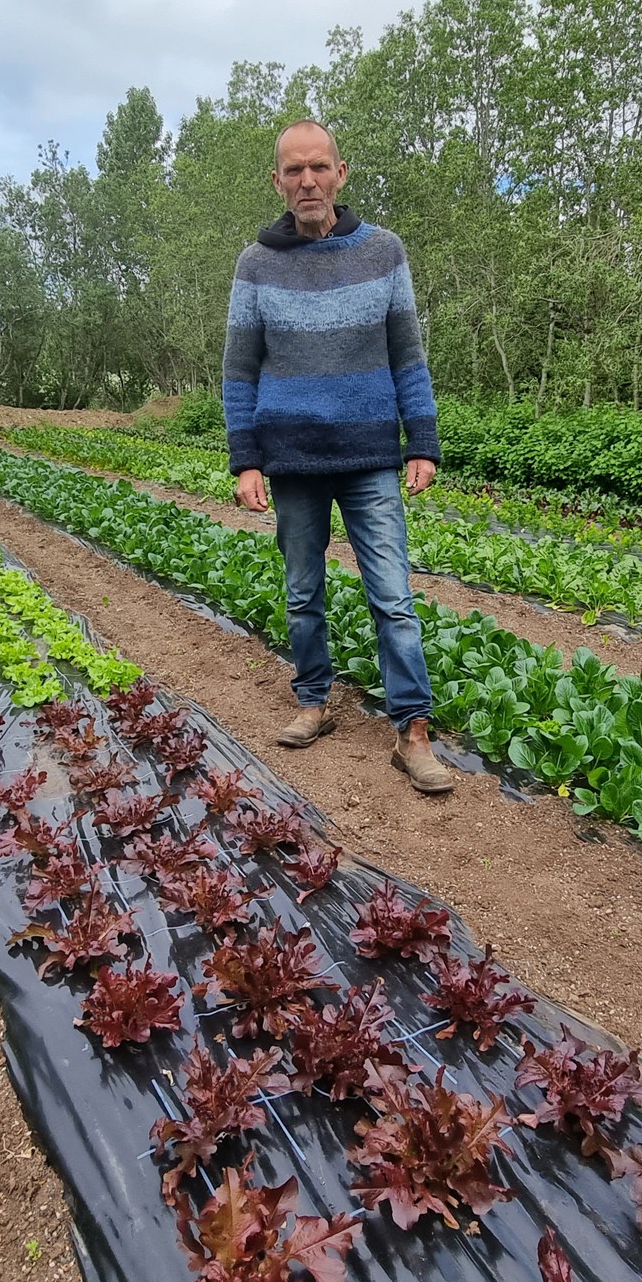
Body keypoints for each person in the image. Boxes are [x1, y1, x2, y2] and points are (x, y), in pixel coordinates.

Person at [220, 118, 455, 795]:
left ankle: (412, 733)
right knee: (302, 592)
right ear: (277, 181)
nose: (307, 181)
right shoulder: (256, 264)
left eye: (318, 167)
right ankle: (313, 702)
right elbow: (240, 370)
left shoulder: (383, 252)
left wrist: (424, 441)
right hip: (291, 459)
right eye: (293, 170)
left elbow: (407, 353)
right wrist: (247, 460)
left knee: (394, 597)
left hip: (371, 457)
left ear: (341, 173)